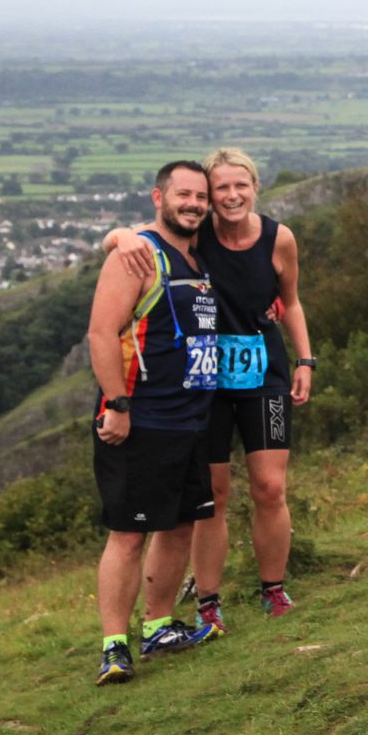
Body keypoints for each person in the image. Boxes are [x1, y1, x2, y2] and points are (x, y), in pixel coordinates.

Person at [105, 147, 314, 632]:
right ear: (210, 196)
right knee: (213, 495)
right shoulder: (194, 237)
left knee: (270, 486)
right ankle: (208, 600)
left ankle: (274, 587)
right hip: (204, 380)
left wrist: (306, 359)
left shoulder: (279, 238)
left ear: (256, 187)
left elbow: (292, 302)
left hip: (265, 374)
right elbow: (137, 239)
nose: (232, 195)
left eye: (241, 185)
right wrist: (117, 235)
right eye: (221, 188)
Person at [88, 160, 221, 685]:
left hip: (191, 418)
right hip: (141, 419)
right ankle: (114, 646)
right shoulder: (139, 254)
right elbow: (102, 334)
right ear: (158, 197)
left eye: (200, 197)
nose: (193, 204)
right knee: (128, 534)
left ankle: (160, 625)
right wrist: (117, 407)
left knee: (182, 523)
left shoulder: (197, 255)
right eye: (183, 195)